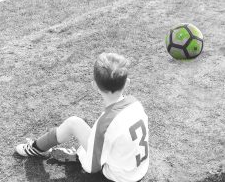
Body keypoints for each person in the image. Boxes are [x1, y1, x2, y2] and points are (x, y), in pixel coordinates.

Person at [15, 53, 149, 182]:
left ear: (94, 85)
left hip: (119, 176)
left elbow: (92, 167)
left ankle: (36, 148)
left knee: (73, 123)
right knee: (81, 127)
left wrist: (81, 153)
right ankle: (68, 152)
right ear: (127, 83)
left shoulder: (106, 123)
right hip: (139, 169)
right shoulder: (136, 104)